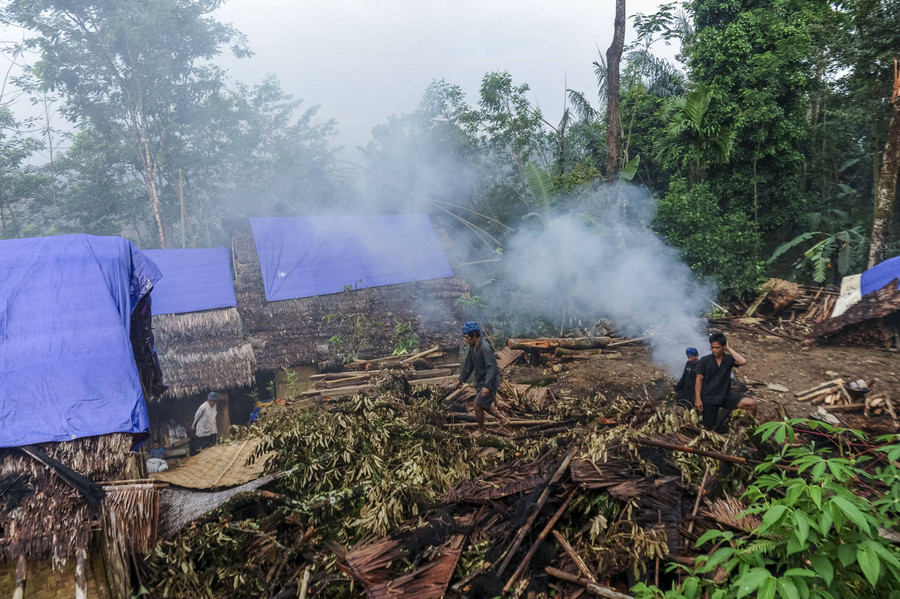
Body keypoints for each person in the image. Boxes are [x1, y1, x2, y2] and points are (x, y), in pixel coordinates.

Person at [694, 333, 757, 432]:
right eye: (712, 347)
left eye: (717, 347)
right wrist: (698, 399)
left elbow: (743, 361)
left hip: (725, 395)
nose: (714, 350)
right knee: (709, 429)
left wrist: (729, 349)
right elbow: (698, 380)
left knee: (751, 404)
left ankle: (743, 432)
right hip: (709, 397)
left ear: (723, 347)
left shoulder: (728, 359)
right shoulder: (704, 360)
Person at [457, 321, 508, 437]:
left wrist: (487, 386)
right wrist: (461, 380)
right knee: (483, 403)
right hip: (481, 380)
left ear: (474, 335)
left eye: (466, 337)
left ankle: (481, 429)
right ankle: (503, 419)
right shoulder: (472, 347)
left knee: (477, 405)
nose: (466, 340)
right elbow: (468, 365)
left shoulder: (485, 348)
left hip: (490, 381)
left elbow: (492, 368)